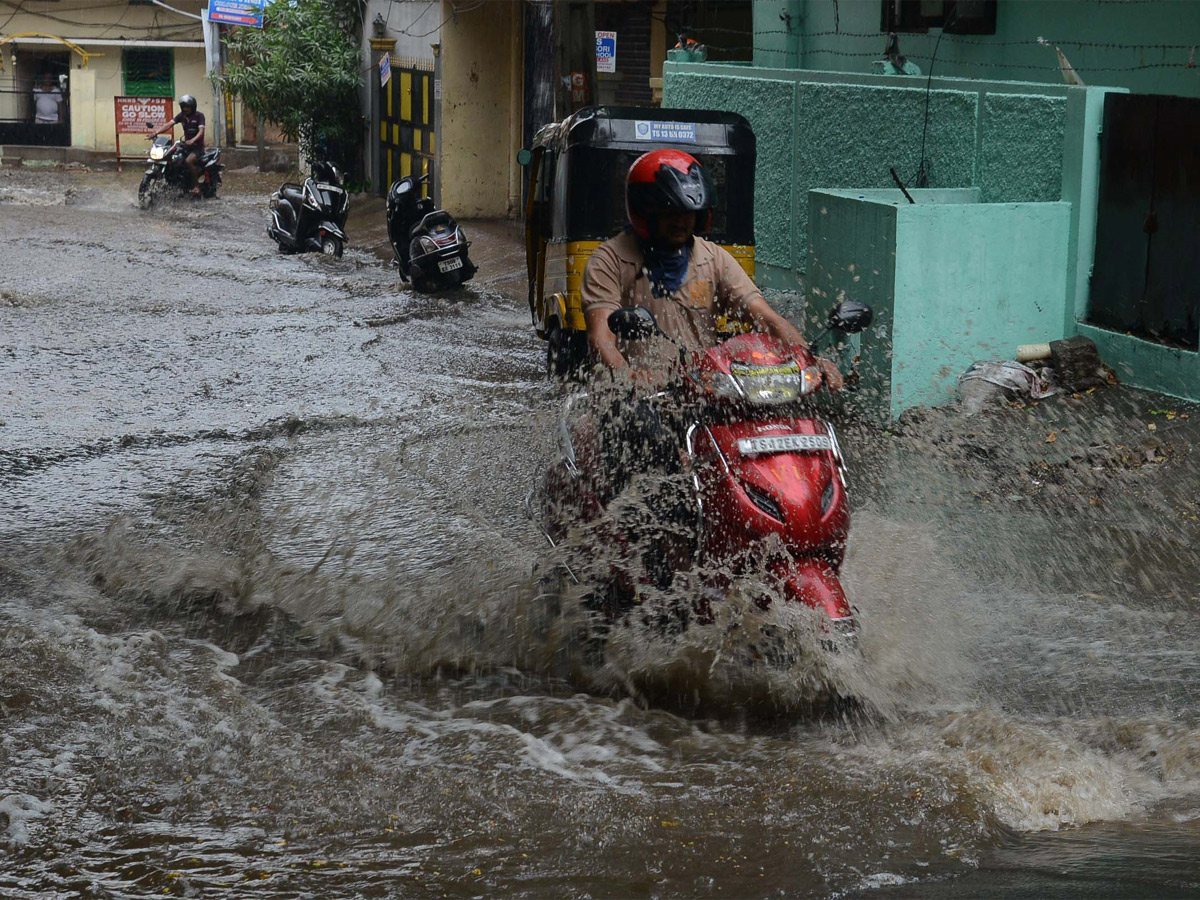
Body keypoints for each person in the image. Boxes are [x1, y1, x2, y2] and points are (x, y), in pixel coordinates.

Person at [581, 148, 843, 391]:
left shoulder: (713, 258)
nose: (681, 221)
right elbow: (601, 339)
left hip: (701, 385)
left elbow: (766, 318)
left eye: (688, 212)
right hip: (635, 396)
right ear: (644, 212)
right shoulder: (608, 261)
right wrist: (630, 377)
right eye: (669, 212)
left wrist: (808, 359)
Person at [149, 94, 206, 195]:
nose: (185, 109)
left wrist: (193, 140)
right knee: (174, 160)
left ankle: (196, 186)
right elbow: (169, 124)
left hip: (197, 148)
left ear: (193, 107)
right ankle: (174, 183)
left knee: (188, 161)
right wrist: (156, 132)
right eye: (183, 107)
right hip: (185, 146)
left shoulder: (199, 116)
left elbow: (201, 131)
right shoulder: (182, 116)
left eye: (187, 107)